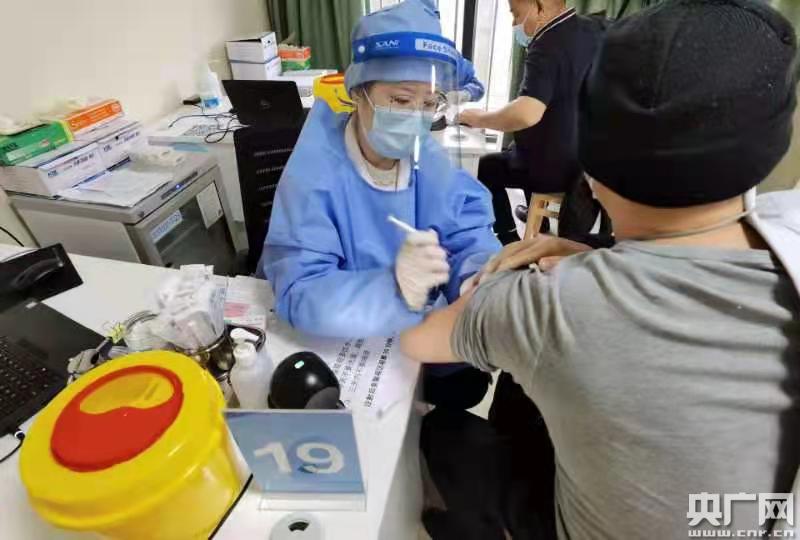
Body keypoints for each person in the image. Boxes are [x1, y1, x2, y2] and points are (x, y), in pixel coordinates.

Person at [400, 1, 800, 538]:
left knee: (443, 432)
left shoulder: (552, 304)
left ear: (592, 164)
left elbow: (419, 342)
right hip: (742, 520)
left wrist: (474, 279)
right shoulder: (789, 228)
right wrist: (590, 255)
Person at [260, 0, 501, 408]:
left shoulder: (426, 155)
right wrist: (393, 288)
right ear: (358, 92)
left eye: (429, 104)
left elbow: (467, 228)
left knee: (463, 384)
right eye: (401, 100)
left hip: (417, 339)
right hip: (351, 344)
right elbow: (300, 291)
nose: (416, 118)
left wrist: (479, 276)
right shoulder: (315, 174)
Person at [459, 0, 602, 245]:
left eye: (516, 15)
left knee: (487, 167)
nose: (514, 24)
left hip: (554, 168)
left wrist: (479, 119)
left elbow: (526, 114)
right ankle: (540, 220)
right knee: (523, 149)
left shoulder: (546, 44)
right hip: (585, 159)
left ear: (540, 7)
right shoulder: (592, 28)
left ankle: (507, 236)